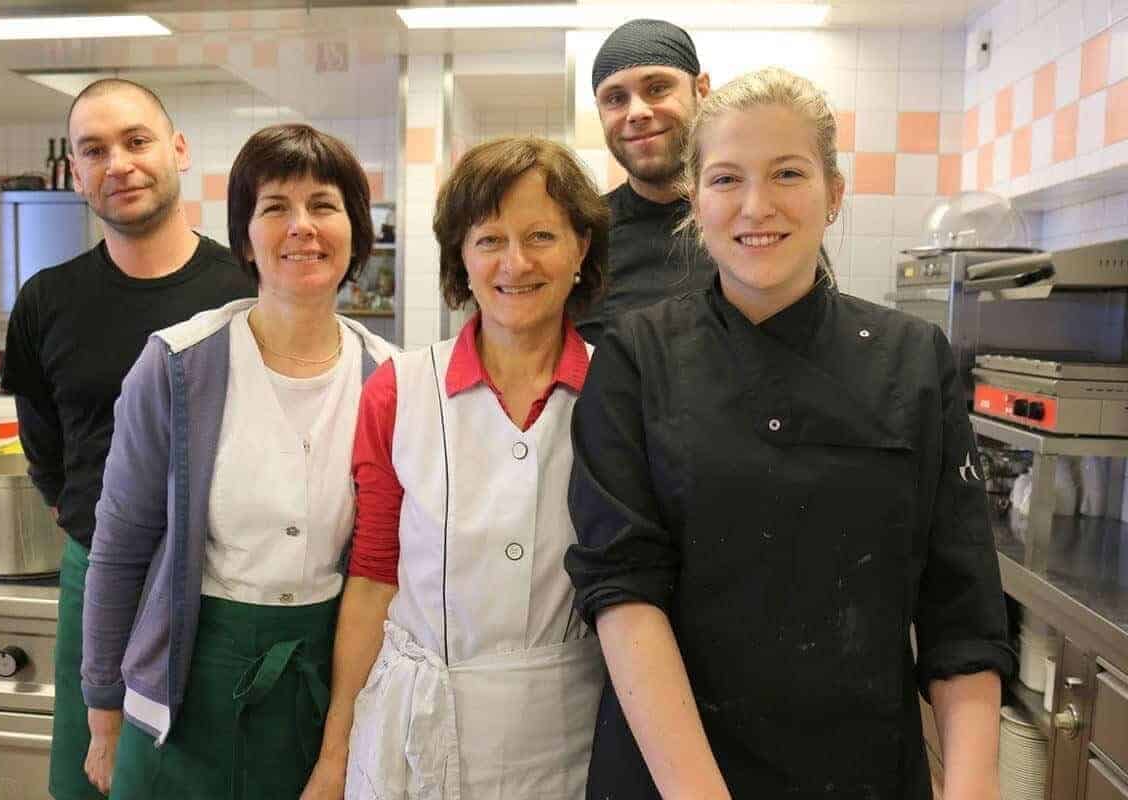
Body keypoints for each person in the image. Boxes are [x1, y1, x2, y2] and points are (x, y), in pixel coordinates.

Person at [565, 67, 1015, 799]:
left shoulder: (912, 359)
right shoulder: (635, 357)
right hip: (674, 775)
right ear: (694, 201)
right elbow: (621, 588)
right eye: (726, 179)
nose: (757, 206)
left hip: (863, 774)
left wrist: (971, 788)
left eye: (787, 173)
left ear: (834, 193)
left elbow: (960, 605)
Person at [79, 123, 396, 799]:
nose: (301, 226)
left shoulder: (391, 380)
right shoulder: (176, 364)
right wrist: (103, 709)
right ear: (245, 238)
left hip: (325, 685)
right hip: (184, 687)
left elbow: (387, 569)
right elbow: (121, 546)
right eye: (275, 207)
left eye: (323, 205)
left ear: (356, 231)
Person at [302, 136, 609, 800]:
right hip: (412, 732)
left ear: (581, 249)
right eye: (489, 240)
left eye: (541, 236)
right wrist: (334, 754)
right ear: (460, 258)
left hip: (567, 741)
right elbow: (374, 578)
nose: (515, 263)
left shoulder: (619, 394)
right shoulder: (399, 391)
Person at [0, 78, 257, 800]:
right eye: (94, 150)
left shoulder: (244, 292)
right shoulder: (47, 300)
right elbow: (42, 439)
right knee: (89, 781)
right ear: (77, 173)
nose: (118, 164)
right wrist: (75, 511)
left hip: (219, 580)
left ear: (178, 150)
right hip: (98, 572)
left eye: (136, 141)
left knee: (199, 779)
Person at [577, 18, 717, 345]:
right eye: (615, 98)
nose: (636, 112)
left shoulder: (750, 221)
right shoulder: (582, 234)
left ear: (701, 91)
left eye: (657, 88)